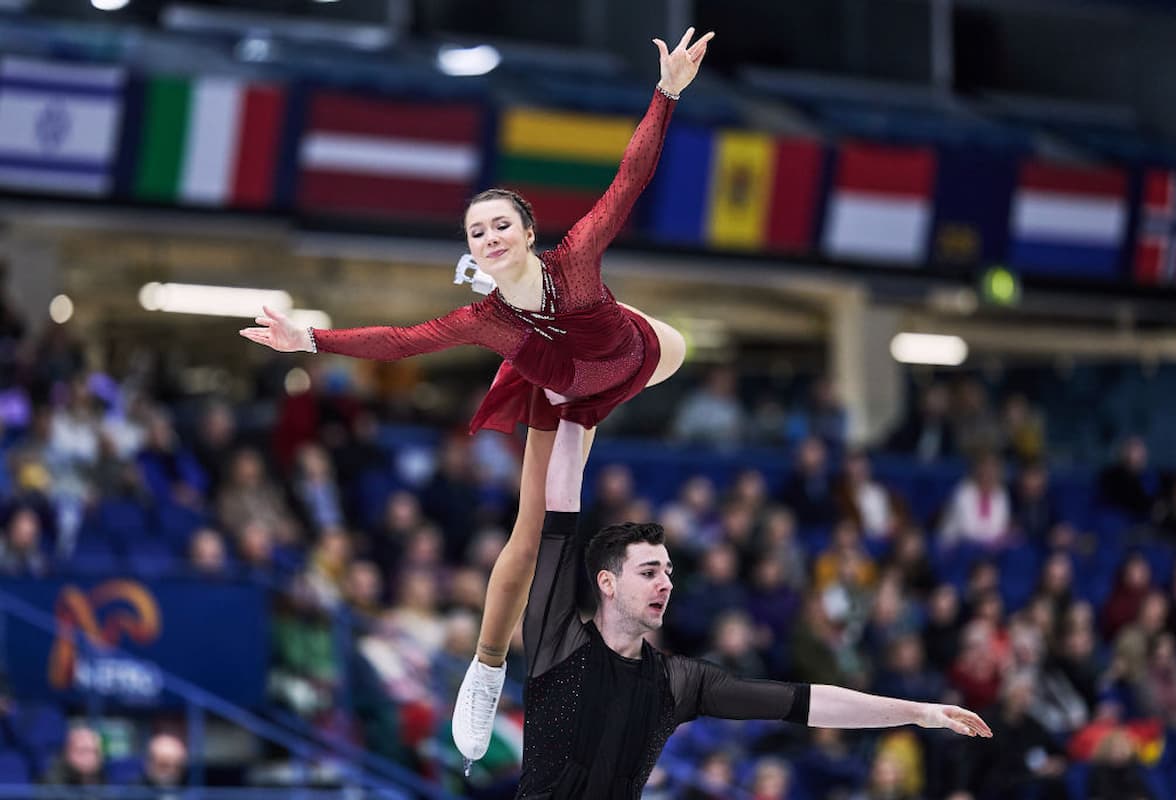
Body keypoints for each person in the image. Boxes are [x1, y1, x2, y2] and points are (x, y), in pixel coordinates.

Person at [239, 26, 710, 761]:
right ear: (474, 253)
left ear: (526, 233)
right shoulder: (483, 318)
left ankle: (623, 344)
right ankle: (488, 670)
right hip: (563, 397)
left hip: (639, 354)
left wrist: (666, 94)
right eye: (475, 232)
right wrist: (312, 341)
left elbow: (629, 180)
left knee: (679, 345)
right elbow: (399, 342)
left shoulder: (576, 259)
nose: (487, 237)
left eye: (499, 225)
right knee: (535, 530)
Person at [514, 414, 991, 797]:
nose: (665, 584)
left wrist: (917, 712)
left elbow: (807, 702)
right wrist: (572, 410)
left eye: (669, 572)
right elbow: (558, 513)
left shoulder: (676, 682)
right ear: (607, 583)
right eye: (648, 572)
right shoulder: (557, 643)